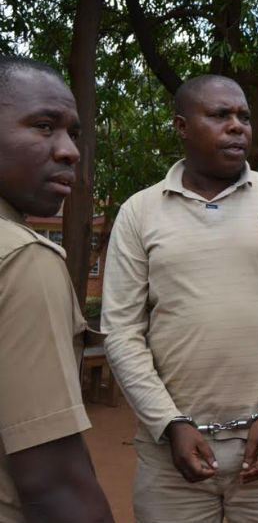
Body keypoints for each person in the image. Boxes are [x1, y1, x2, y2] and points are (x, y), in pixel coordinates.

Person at [102, 74, 258, 522]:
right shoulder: (139, 212)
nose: (237, 126)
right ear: (182, 127)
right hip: (171, 451)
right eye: (219, 115)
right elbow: (122, 330)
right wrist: (169, 424)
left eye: (243, 116)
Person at [0, 55, 113, 521]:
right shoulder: (23, 260)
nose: (70, 151)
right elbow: (54, 485)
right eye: (44, 126)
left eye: (73, 133)